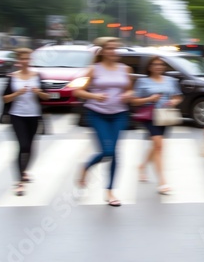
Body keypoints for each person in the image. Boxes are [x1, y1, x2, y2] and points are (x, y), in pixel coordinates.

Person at [74, 38, 134, 207]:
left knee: (114, 152)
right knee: (107, 151)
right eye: (110, 48)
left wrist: (128, 94)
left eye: (116, 49)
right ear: (103, 51)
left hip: (120, 114)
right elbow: (78, 90)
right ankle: (85, 168)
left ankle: (110, 191)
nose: (114, 51)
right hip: (97, 113)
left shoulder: (125, 69)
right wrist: (95, 96)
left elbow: (129, 88)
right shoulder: (94, 69)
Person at [1, 48, 50, 196]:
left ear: (30, 60)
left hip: (34, 116)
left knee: (30, 148)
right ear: (18, 61)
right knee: (23, 146)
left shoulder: (37, 76)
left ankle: (25, 171)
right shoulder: (12, 77)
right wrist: (17, 93)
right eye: (22, 59)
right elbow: (4, 98)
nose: (24, 61)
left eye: (27, 58)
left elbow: (47, 97)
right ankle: (20, 181)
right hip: (17, 115)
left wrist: (38, 92)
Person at [132, 56, 183, 195]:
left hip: (165, 115)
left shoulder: (171, 81)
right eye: (155, 64)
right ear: (149, 67)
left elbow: (178, 96)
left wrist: (174, 102)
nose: (158, 66)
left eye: (161, 64)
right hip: (150, 116)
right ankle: (162, 182)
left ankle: (142, 166)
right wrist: (150, 99)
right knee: (159, 146)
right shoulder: (143, 81)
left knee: (156, 145)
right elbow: (134, 101)